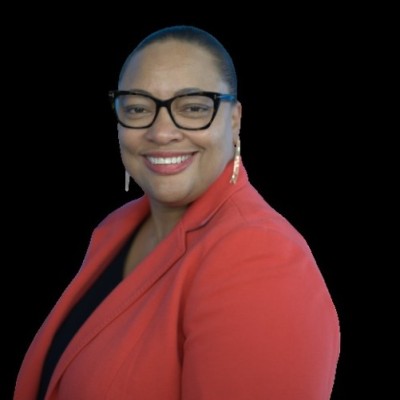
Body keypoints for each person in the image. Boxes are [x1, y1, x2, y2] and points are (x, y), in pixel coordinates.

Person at [14, 25, 340, 400]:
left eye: (193, 108)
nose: (161, 132)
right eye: (138, 108)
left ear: (235, 119)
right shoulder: (116, 228)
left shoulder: (261, 255)